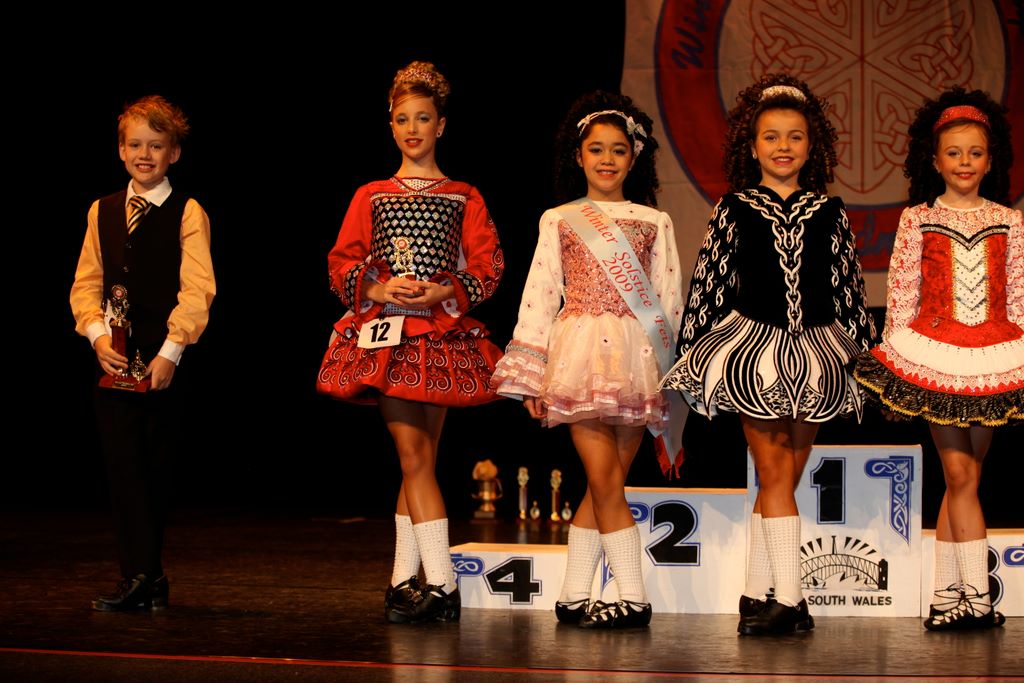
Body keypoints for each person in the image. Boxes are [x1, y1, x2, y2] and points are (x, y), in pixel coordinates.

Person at [661, 74, 875, 635]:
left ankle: (757, 592)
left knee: (784, 479)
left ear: (812, 146)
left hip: (819, 354)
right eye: (772, 137)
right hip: (755, 353)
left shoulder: (830, 209)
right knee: (775, 472)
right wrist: (694, 353)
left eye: (795, 137)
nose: (783, 146)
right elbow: (709, 282)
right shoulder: (732, 207)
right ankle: (793, 602)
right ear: (752, 147)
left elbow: (849, 287)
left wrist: (866, 357)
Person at [316, 61, 503, 624]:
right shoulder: (371, 194)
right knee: (414, 457)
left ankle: (402, 581)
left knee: (421, 460)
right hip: (389, 336)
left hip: (438, 335)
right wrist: (378, 287)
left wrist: (444, 289)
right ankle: (442, 584)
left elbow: (489, 265)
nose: (413, 128)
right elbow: (341, 262)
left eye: (423, 118)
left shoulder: (463, 195)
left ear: (441, 125)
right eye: (403, 119)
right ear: (390, 125)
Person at [491, 92, 683, 629]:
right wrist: (530, 374)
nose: (606, 159)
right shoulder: (559, 219)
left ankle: (575, 593)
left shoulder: (655, 221)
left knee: (606, 483)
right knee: (604, 479)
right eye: (596, 149)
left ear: (634, 157)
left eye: (618, 150)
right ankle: (634, 596)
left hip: (638, 357)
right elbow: (539, 294)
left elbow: (670, 299)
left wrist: (672, 371)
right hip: (578, 355)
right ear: (578, 156)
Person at [854, 87, 1021, 631]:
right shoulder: (917, 218)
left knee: (966, 479)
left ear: (990, 160)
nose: (964, 162)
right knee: (958, 470)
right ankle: (978, 599)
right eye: (954, 152)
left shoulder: (1010, 220)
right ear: (935, 160)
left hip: (996, 355)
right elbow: (903, 289)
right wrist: (895, 355)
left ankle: (948, 595)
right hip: (936, 354)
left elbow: (1018, 292)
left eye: (975, 152)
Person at [70, 95, 216, 611]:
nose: (144, 155)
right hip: (113, 359)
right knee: (122, 467)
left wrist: (172, 351)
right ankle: (139, 574)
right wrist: (97, 335)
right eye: (135, 145)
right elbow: (87, 282)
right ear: (120, 149)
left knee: (154, 468)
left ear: (174, 153)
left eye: (156, 146)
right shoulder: (103, 210)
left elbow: (197, 289)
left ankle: (148, 573)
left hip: (161, 360)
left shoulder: (187, 211)